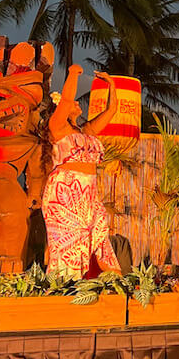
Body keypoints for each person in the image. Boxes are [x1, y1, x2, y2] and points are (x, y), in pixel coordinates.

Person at [42, 64, 122, 278]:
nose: (77, 103)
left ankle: (115, 290)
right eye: (72, 103)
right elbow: (67, 99)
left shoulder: (87, 131)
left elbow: (112, 110)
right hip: (65, 194)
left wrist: (111, 85)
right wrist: (72, 74)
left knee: (100, 237)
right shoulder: (57, 127)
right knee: (69, 248)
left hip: (88, 194)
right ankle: (62, 294)